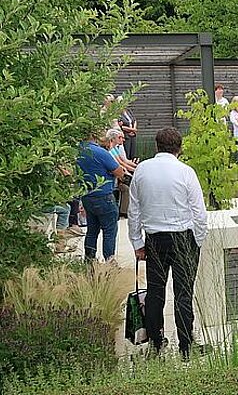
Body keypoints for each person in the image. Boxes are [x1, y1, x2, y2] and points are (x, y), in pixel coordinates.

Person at [128, 127, 208, 360]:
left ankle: (155, 343)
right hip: (183, 238)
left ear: (157, 146)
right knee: (183, 293)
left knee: (155, 292)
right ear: (179, 148)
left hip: (154, 239)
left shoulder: (142, 170)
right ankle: (186, 346)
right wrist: (197, 240)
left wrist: (137, 242)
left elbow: (134, 210)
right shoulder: (186, 172)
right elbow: (199, 212)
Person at [77, 132, 124, 263]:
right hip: (104, 196)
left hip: (87, 195)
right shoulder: (100, 152)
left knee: (92, 231)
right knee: (109, 230)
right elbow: (119, 172)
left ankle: (89, 261)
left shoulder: (77, 151)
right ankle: (109, 261)